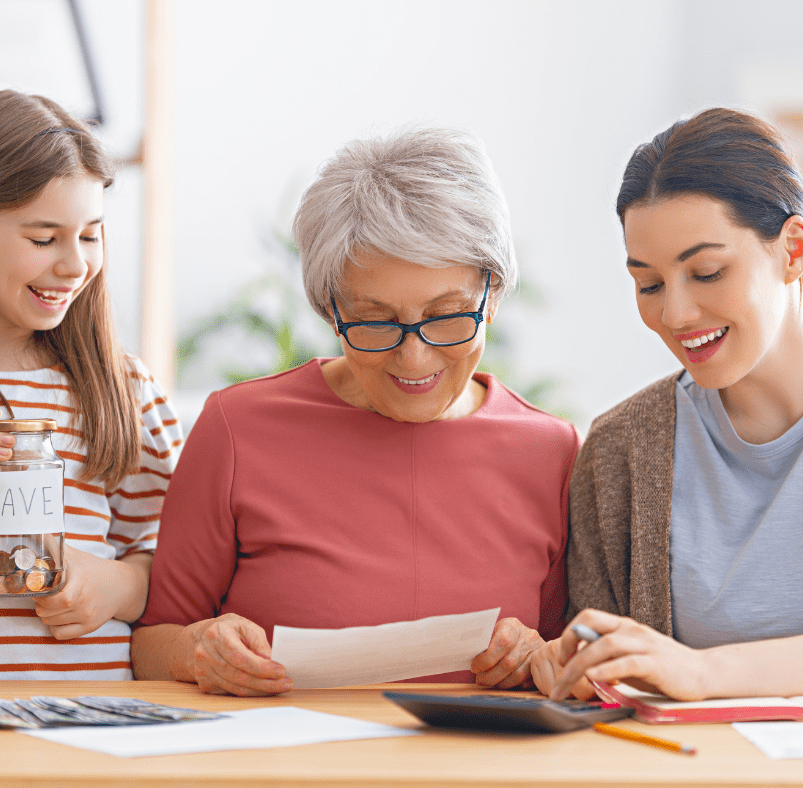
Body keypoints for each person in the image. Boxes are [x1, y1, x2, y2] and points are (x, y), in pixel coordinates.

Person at [131, 126, 579, 696]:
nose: (414, 357)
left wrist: (537, 655)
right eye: (375, 321)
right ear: (330, 309)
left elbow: (568, 650)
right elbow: (150, 644)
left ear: (491, 296)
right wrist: (198, 651)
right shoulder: (238, 428)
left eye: (447, 315)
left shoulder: (551, 451)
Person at [532, 107, 803, 703]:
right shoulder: (621, 449)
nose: (674, 314)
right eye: (648, 284)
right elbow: (601, 676)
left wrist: (702, 674)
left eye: (708, 271)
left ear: (794, 250)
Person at [0, 89, 183, 678]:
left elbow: (183, 557)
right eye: (43, 238)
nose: (76, 264)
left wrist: (120, 585)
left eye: (89, 234)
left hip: (93, 723)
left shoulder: (120, 387)